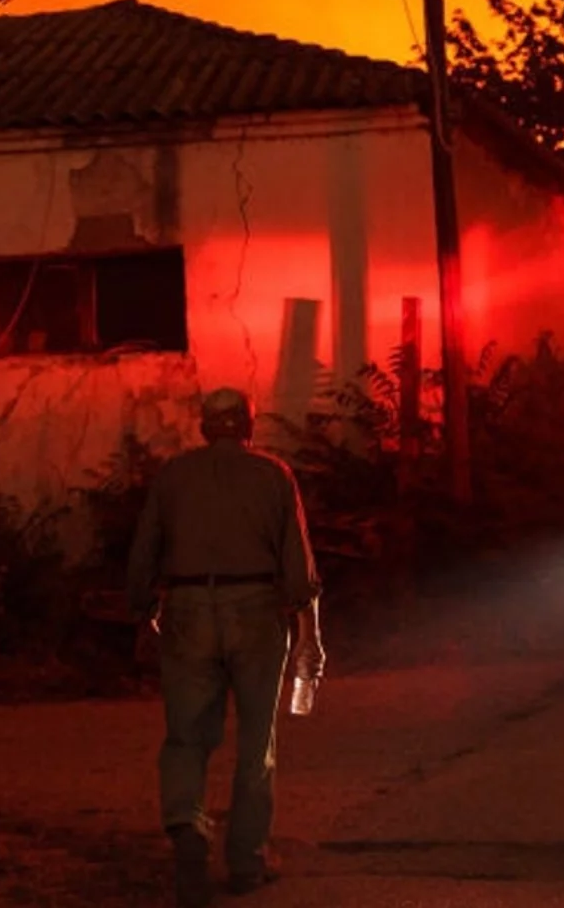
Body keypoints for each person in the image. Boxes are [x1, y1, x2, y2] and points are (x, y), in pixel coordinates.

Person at [127, 387, 324, 907]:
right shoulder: (273, 475)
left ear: (203, 427)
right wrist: (310, 634)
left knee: (187, 735)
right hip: (257, 608)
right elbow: (298, 569)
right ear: (249, 425)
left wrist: (143, 606)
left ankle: (187, 825)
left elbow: (144, 549)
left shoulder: (173, 477)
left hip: (189, 609)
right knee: (257, 742)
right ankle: (246, 862)